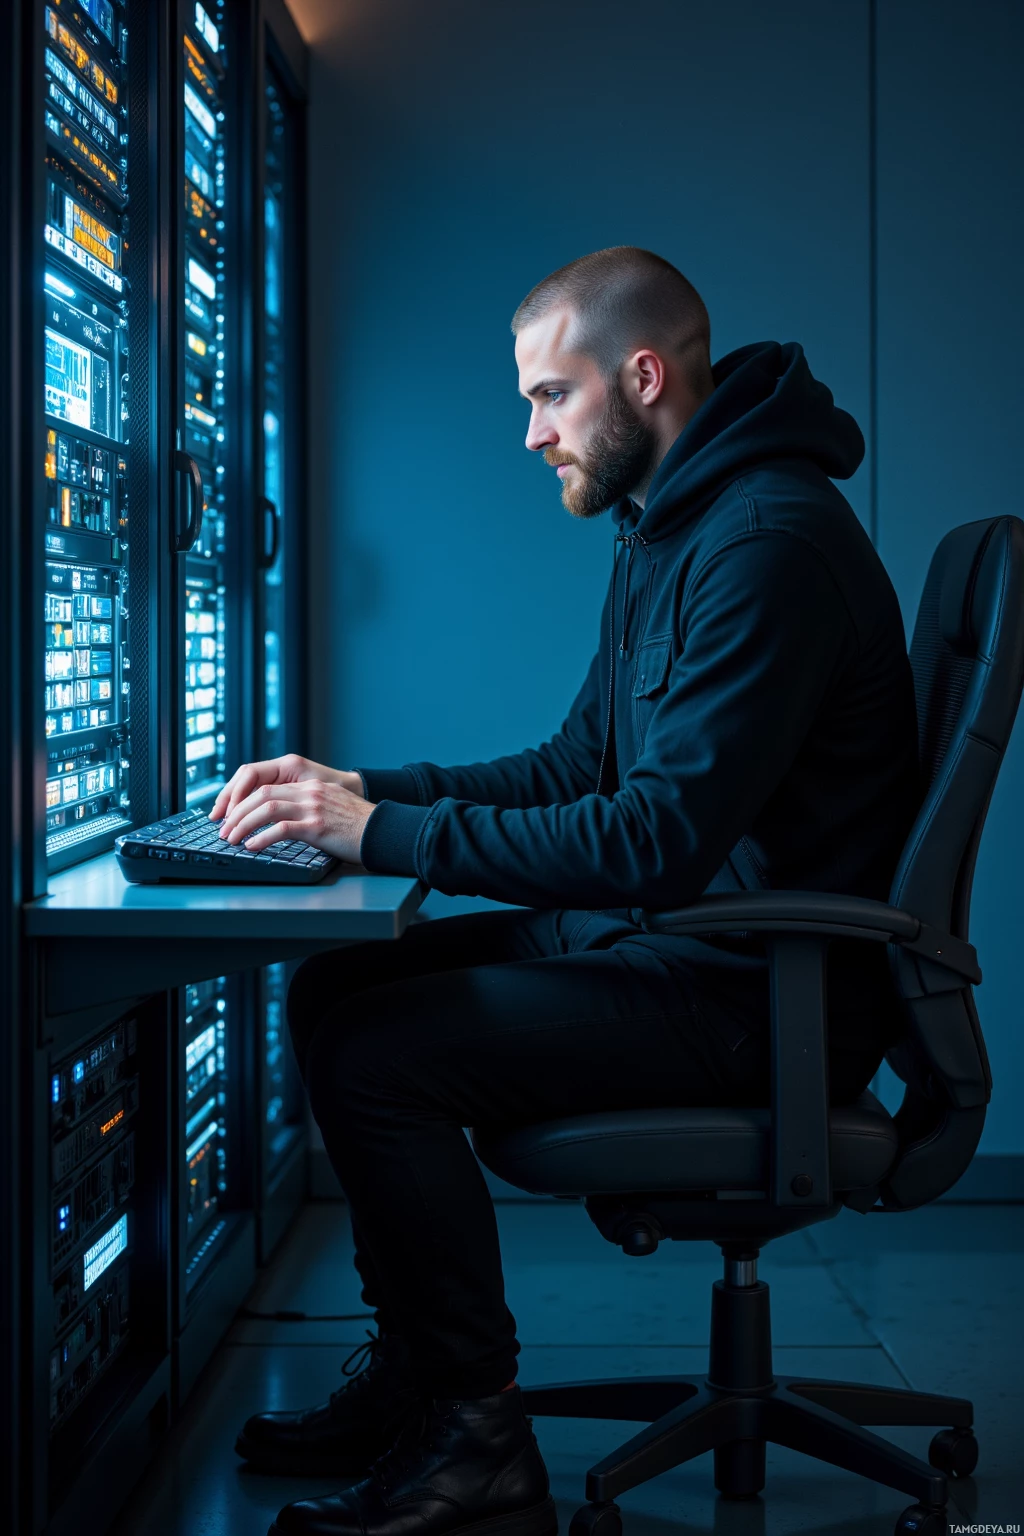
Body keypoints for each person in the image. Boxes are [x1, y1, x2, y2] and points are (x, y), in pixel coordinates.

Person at [211, 247, 920, 1536]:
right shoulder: (671, 519)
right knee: (336, 989)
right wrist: (355, 789)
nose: (533, 434)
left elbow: (654, 839)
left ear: (641, 377)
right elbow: (576, 767)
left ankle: (476, 1441)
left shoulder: (765, 543)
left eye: (551, 396)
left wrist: (380, 836)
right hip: (684, 945)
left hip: (762, 991)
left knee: (380, 1056)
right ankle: (418, 1381)